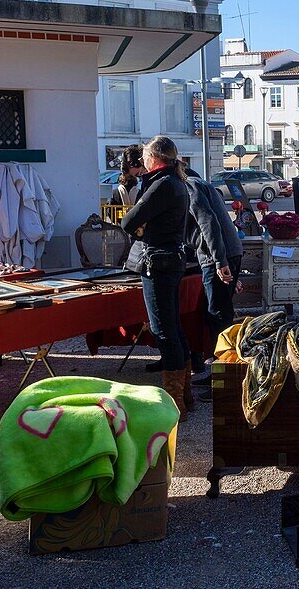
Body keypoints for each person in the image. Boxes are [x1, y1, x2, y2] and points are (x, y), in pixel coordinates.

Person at [120, 136, 191, 416]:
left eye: (146, 157)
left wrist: (141, 227)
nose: (143, 162)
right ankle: (183, 396)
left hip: (158, 262)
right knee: (173, 326)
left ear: (155, 159)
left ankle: (176, 405)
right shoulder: (176, 182)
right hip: (171, 259)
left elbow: (128, 222)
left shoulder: (162, 184)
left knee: (164, 330)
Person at [182, 165, 242, 401]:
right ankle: (220, 372)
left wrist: (219, 261)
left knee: (219, 317)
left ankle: (225, 378)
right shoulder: (203, 185)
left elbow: (207, 223)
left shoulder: (190, 186)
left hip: (217, 256)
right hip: (224, 253)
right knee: (218, 315)